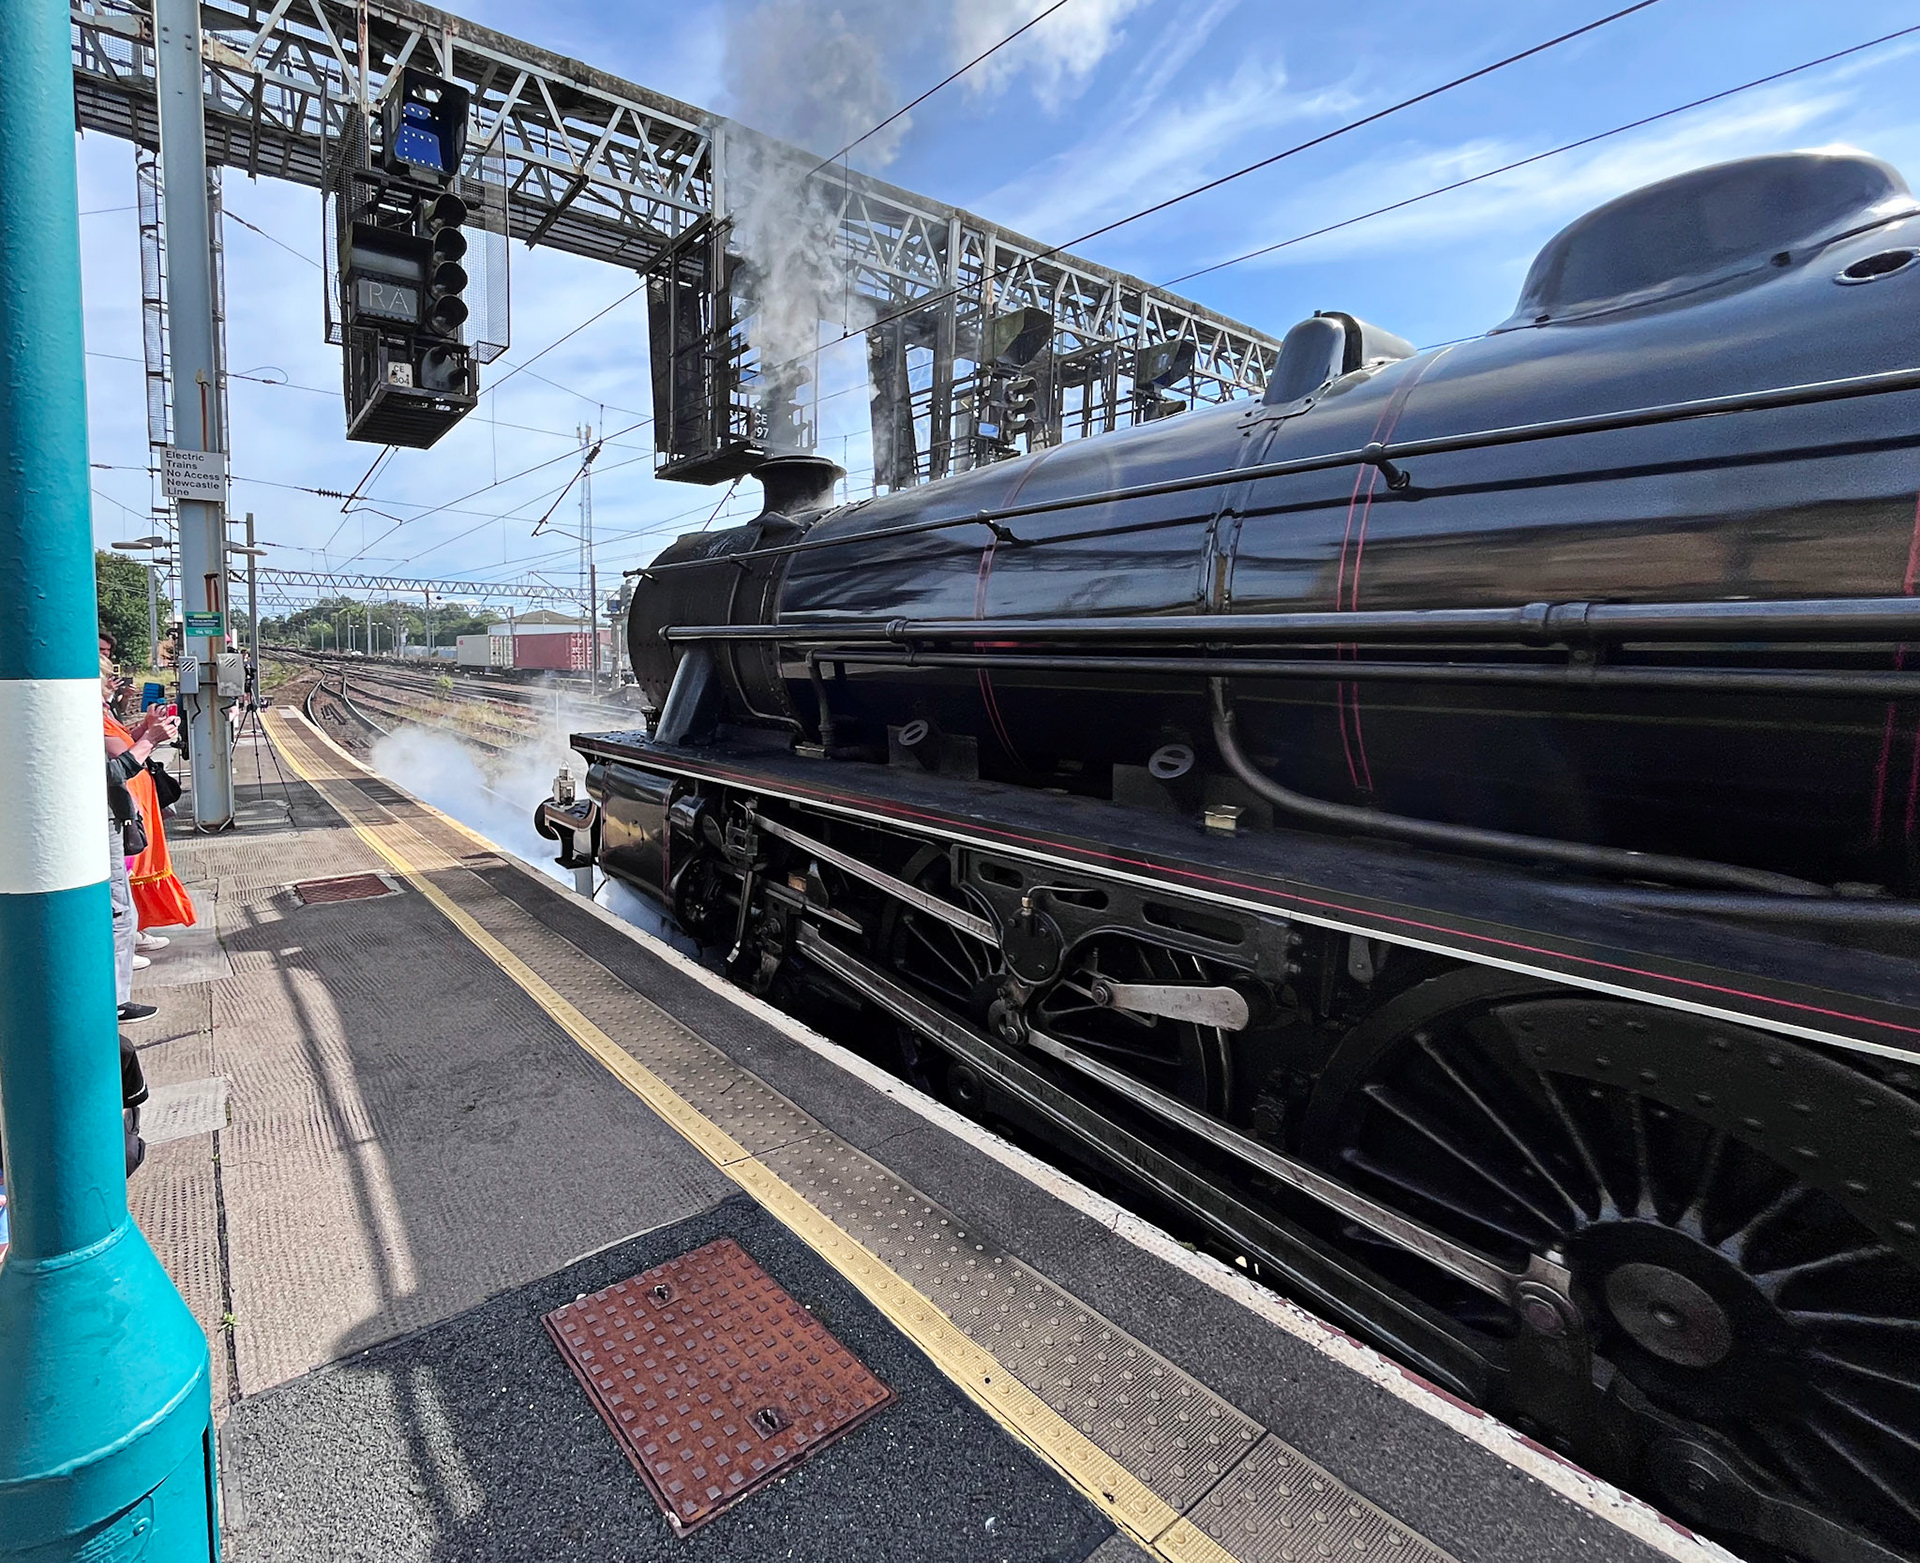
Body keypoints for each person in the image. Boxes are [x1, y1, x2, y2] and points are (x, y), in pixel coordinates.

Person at [101, 629, 177, 1022]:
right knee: (117, 909)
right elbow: (112, 770)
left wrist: (144, 730)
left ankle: (118, 988)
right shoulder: (87, 716)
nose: (112, 678)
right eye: (106, 671)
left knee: (122, 905)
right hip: (107, 815)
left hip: (117, 813)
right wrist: (150, 740)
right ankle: (115, 1000)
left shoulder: (100, 712)